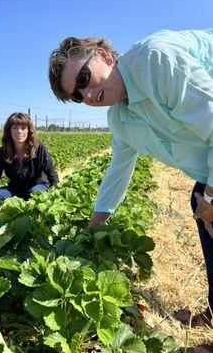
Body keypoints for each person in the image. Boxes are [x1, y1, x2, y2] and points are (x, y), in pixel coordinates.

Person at [48, 29, 213, 351]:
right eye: (77, 95)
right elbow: (117, 174)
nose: (87, 93)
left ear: (105, 56)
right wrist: (91, 232)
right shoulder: (120, 119)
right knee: (203, 211)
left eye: (84, 77)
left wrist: (212, 196)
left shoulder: (157, 61)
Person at [0, 112, 59, 221]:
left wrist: (54, 200)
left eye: (23, 128)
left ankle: (34, 220)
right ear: (9, 131)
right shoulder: (3, 152)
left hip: (39, 186)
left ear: (29, 130)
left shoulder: (39, 148)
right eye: (15, 127)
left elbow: (54, 178)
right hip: (16, 189)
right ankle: (5, 220)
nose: (19, 131)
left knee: (35, 194)